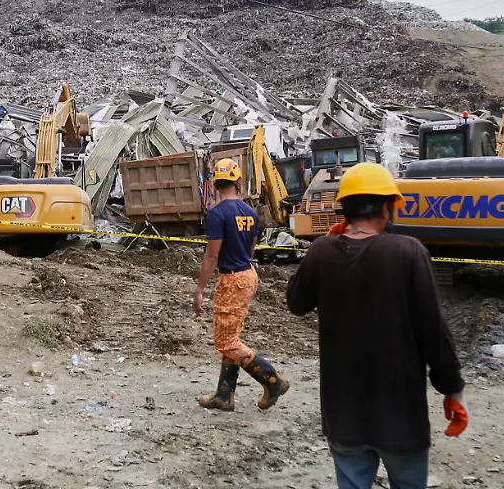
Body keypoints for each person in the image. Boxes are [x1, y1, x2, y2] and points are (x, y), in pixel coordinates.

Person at [286, 163, 466, 489]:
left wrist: (319, 249)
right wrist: (452, 388)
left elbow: (296, 302)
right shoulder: (408, 252)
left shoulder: (323, 252)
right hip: (401, 418)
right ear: (386, 207)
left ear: (344, 209)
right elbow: (433, 331)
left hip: (344, 416)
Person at [192, 158, 289, 412]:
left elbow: (212, 255)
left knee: (227, 342)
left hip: (232, 278)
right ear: (237, 183)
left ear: (214, 184)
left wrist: (200, 289)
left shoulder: (216, 214)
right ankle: (224, 396)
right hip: (247, 274)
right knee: (230, 336)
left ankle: (272, 380)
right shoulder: (249, 212)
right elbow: (252, 246)